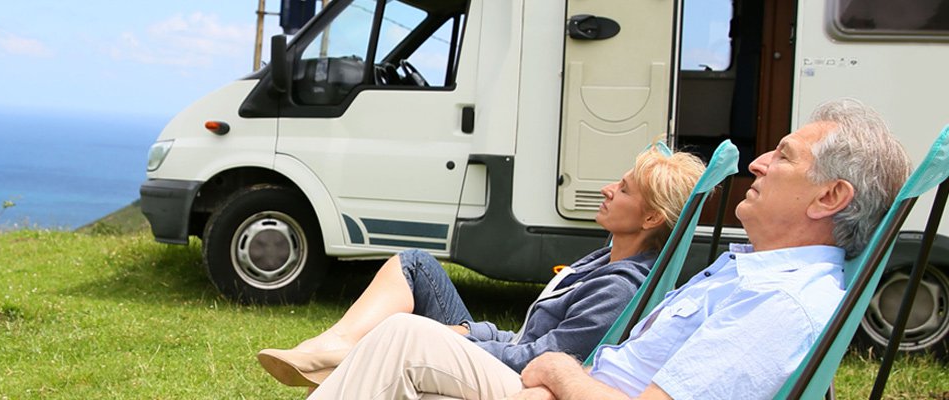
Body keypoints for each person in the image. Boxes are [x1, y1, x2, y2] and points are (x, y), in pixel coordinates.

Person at [307, 98, 912, 400]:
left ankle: (328, 359)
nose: (757, 161)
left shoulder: (782, 303)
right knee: (404, 341)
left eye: (782, 155)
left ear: (829, 196)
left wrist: (563, 374)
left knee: (404, 338)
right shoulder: (755, 276)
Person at [257, 145, 706, 388]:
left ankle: (339, 358)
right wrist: (472, 333)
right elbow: (529, 336)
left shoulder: (621, 287)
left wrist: (463, 344)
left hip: (520, 380)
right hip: (507, 355)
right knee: (417, 265)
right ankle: (330, 346)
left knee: (405, 332)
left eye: (623, 190)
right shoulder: (604, 258)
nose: (608, 189)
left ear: (650, 218)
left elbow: (544, 358)